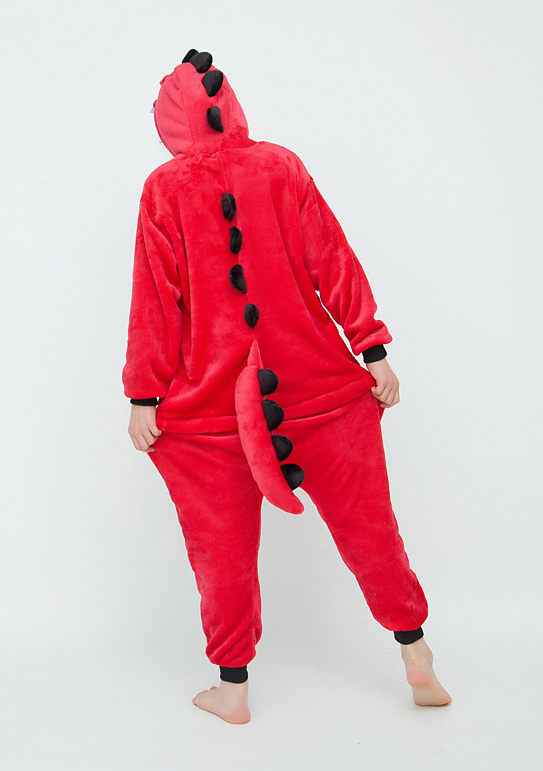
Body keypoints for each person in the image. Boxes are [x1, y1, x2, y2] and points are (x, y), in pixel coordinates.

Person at [123, 49, 451, 724]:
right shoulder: (280, 166)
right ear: (228, 105)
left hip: (211, 411)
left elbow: (156, 300)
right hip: (319, 388)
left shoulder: (164, 189)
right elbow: (332, 256)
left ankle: (233, 691)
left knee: (221, 553)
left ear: (173, 120)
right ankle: (416, 653)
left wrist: (143, 396)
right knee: (371, 531)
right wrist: (372, 348)